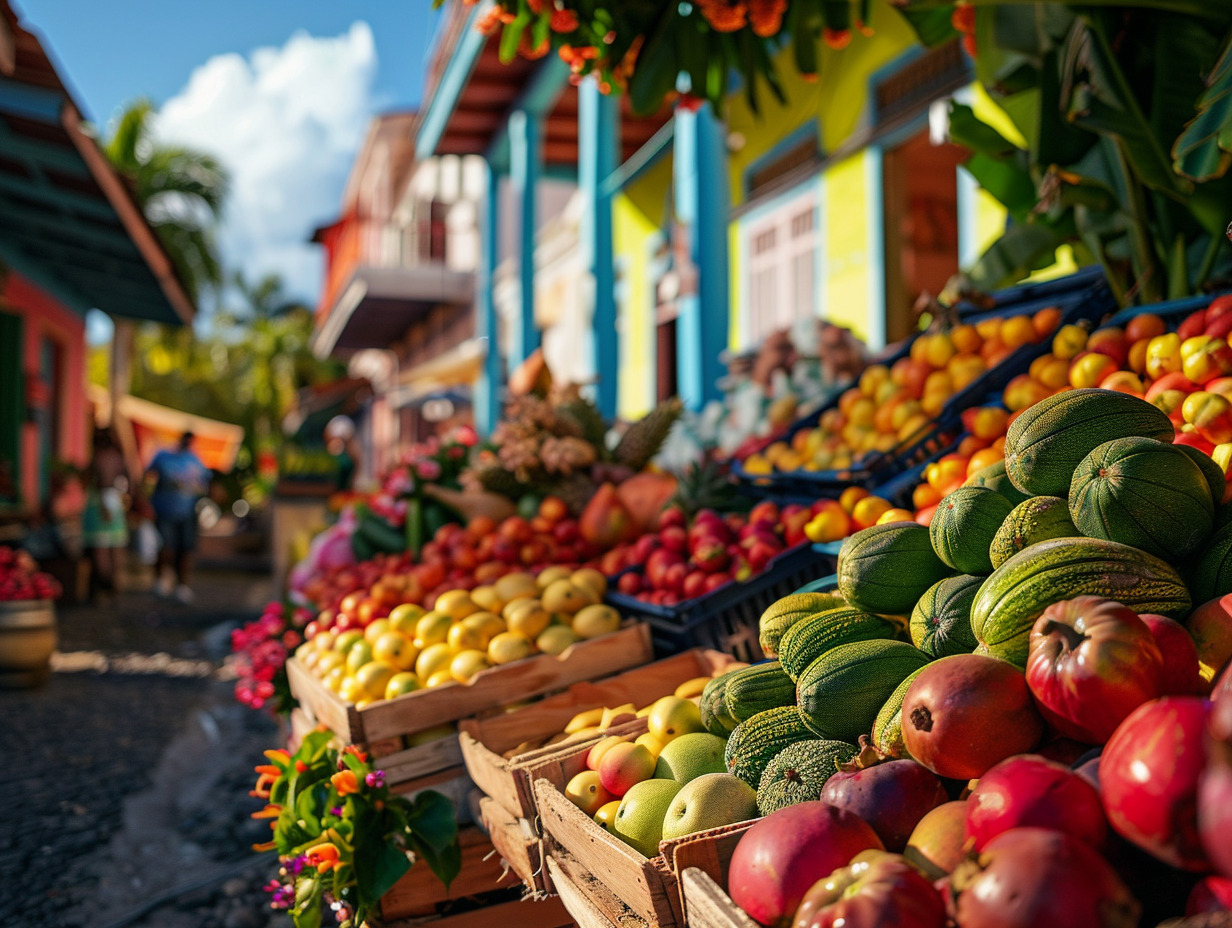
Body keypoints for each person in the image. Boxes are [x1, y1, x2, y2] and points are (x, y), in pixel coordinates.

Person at [145, 431, 210, 602]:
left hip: (187, 513)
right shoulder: (163, 456)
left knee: (185, 551)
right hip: (164, 511)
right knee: (167, 547)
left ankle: (182, 586)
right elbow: (148, 476)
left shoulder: (195, 459)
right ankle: (161, 579)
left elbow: (205, 483)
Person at [82, 429, 130, 602]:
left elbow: (99, 482)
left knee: (100, 548)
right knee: (115, 547)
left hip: (100, 505)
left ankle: (106, 585)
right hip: (115, 504)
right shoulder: (119, 457)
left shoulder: (100, 457)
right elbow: (130, 483)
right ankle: (111, 586)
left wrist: (103, 503)